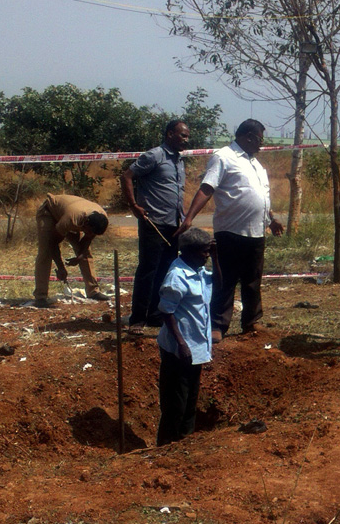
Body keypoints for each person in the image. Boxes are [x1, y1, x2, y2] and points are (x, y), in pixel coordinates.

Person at [176, 119, 283, 343]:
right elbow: (207, 188)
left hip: (256, 233)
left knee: (252, 280)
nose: (261, 145)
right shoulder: (224, 157)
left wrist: (271, 219)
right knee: (225, 280)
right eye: (259, 140)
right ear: (247, 137)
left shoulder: (256, 164)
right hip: (231, 231)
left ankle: (251, 321)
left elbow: (261, 197)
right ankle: (217, 325)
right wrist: (189, 217)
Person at [121, 120, 191, 335]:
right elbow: (127, 176)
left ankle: (155, 315)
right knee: (148, 271)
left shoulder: (179, 160)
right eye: (183, 135)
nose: (186, 140)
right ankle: (138, 319)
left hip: (173, 224)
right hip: (154, 223)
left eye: (187, 136)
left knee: (166, 270)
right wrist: (134, 206)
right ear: (170, 134)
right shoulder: (154, 156)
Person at [156, 227, 220, 446]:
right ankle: (167, 444)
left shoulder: (198, 270)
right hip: (179, 349)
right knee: (176, 402)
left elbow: (220, 284)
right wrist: (181, 344)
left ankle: (186, 441)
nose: (207, 255)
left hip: (196, 347)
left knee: (191, 398)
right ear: (191, 252)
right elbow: (166, 312)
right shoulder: (177, 277)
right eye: (204, 252)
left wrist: (216, 256)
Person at [34, 193, 110, 307]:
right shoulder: (71, 220)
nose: (89, 235)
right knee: (45, 253)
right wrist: (61, 267)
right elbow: (52, 243)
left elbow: (87, 240)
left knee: (86, 254)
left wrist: (80, 256)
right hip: (49, 212)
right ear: (85, 224)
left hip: (67, 213)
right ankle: (40, 296)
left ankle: (93, 291)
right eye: (88, 232)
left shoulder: (101, 218)